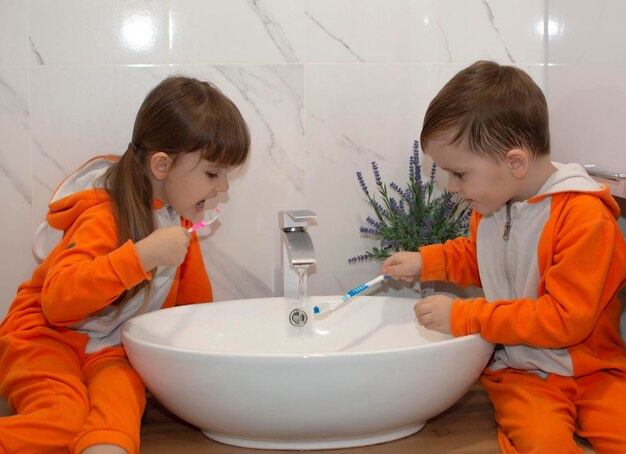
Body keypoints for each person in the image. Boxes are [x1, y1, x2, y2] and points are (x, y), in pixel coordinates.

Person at [382, 61, 626, 453]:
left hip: (597, 372)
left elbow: (564, 319)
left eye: (459, 174)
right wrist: (426, 261)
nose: (450, 187)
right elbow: (484, 259)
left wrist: (465, 316)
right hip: (523, 373)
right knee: (543, 445)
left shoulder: (583, 219)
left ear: (515, 163)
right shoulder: (495, 205)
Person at [0, 76, 250, 453]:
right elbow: (57, 301)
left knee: (117, 421)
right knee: (62, 422)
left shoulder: (179, 224)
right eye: (213, 173)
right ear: (162, 166)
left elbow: (192, 312)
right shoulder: (104, 214)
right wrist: (143, 256)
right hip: (44, 338)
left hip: (112, 349)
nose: (224, 188)